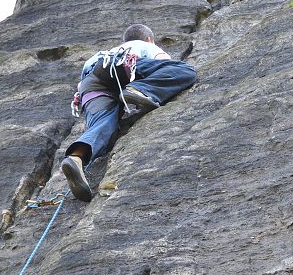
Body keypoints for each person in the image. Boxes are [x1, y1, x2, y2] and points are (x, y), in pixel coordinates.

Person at [61, 23, 196, 202]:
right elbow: (166, 65)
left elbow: (82, 84)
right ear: (148, 39)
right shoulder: (146, 46)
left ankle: (76, 158)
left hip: (91, 85)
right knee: (185, 70)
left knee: (105, 125)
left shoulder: (100, 55)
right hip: (125, 67)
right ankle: (140, 90)